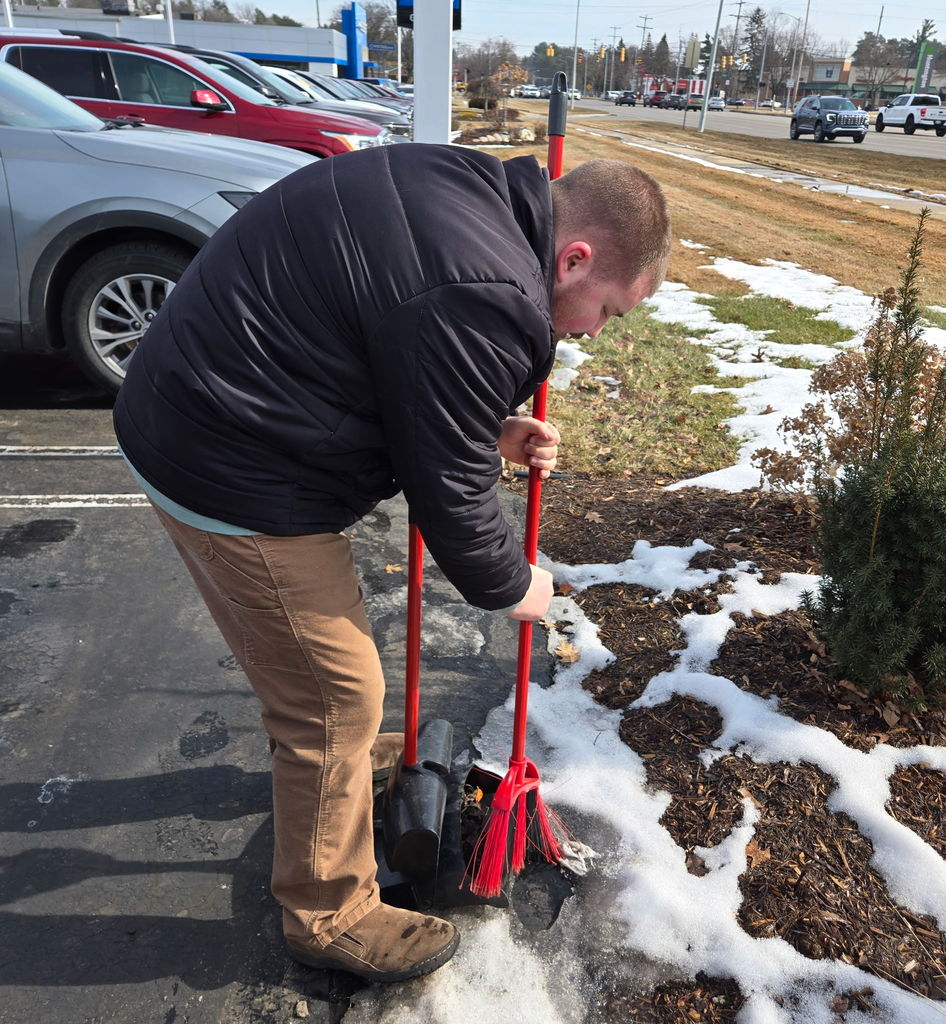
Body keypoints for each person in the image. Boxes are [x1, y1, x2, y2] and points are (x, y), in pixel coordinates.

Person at [113, 145, 671, 983]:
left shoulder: (474, 195)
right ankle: (328, 914)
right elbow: (448, 495)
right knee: (335, 697)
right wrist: (518, 587)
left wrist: (482, 425)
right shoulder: (488, 292)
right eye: (608, 312)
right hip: (230, 460)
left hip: (210, 403)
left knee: (328, 683)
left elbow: (396, 351)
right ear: (577, 257)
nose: (593, 331)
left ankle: (335, 775)